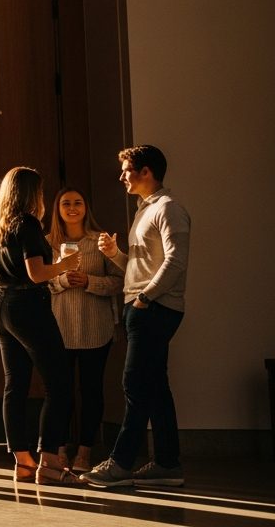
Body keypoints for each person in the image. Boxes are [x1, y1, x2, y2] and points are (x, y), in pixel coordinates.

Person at [81, 145, 191, 489]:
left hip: (153, 309)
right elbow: (139, 266)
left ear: (146, 172)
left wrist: (145, 297)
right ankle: (168, 464)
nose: (121, 176)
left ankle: (121, 463)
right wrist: (115, 256)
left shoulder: (169, 209)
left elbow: (176, 261)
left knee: (135, 384)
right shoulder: (145, 210)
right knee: (156, 387)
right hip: (142, 307)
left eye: (127, 170)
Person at [0, 166, 79, 485]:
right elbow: (37, 273)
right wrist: (63, 266)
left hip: (1, 307)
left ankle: (23, 461)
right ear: (31, 193)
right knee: (59, 383)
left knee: (15, 385)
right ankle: (49, 462)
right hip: (28, 307)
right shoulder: (28, 224)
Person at [45, 187, 124, 473]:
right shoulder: (48, 244)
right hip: (59, 329)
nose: (72, 207)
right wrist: (64, 281)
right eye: (66, 203)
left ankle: (85, 451)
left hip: (95, 328)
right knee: (60, 392)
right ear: (58, 209)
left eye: (78, 202)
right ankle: (60, 449)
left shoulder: (99, 241)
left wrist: (89, 281)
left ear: (86, 208)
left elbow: (119, 282)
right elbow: (39, 283)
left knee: (91, 391)